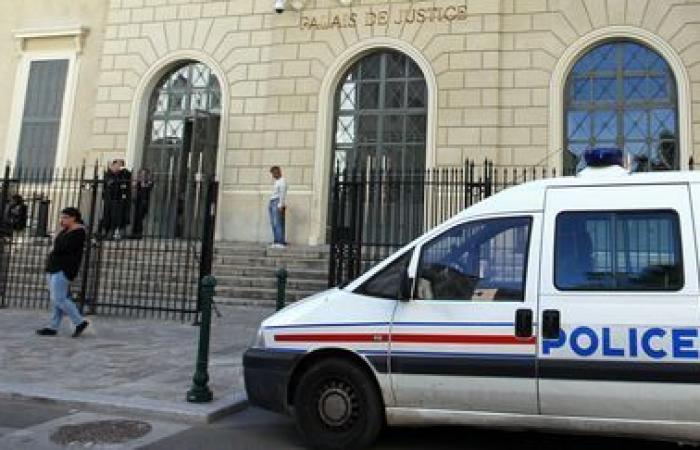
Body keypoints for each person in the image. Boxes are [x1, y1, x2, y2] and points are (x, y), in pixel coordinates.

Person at [36, 207, 89, 337]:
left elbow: (63, 248)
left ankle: (80, 321)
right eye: (61, 217)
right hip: (54, 266)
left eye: (65, 217)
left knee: (59, 298)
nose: (62, 220)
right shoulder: (64, 231)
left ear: (73, 218)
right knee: (56, 299)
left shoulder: (79, 232)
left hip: (64, 268)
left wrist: (55, 239)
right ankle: (53, 327)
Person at [101, 159, 132, 240]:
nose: (119, 167)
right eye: (118, 165)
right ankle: (107, 233)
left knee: (118, 217)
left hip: (119, 199)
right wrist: (111, 171)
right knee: (108, 216)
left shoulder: (123, 173)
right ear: (113, 165)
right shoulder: (109, 174)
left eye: (121, 165)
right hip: (109, 199)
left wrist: (124, 170)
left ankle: (114, 233)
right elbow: (109, 182)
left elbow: (127, 179)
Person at [131, 168, 153, 238]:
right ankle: (134, 233)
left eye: (144, 174)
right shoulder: (138, 182)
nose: (142, 175)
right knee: (136, 217)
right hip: (137, 201)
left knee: (140, 218)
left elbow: (147, 189)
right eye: (141, 174)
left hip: (144, 202)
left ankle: (138, 234)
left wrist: (143, 183)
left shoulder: (149, 182)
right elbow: (134, 187)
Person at [268, 166, 288, 248]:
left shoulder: (282, 181)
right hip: (273, 202)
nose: (272, 175)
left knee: (277, 223)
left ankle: (279, 242)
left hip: (276, 202)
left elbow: (282, 194)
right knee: (274, 222)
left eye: (273, 173)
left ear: (278, 172)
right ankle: (277, 240)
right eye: (272, 173)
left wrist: (280, 205)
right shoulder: (277, 181)